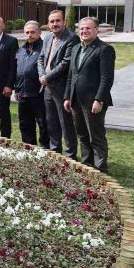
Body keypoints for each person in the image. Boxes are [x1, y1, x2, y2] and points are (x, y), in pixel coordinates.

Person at [64, 17, 115, 173]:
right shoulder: (76, 48)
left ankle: (100, 170)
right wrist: (67, 97)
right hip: (75, 100)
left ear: (96, 29)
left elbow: (107, 78)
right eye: (81, 28)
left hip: (93, 102)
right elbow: (71, 75)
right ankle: (87, 166)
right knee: (82, 135)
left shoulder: (105, 49)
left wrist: (99, 99)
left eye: (88, 28)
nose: (84, 31)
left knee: (96, 137)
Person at [38, 9, 78, 159]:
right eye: (52, 21)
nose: (54, 24)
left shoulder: (72, 38)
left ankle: (70, 155)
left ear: (64, 22)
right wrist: (42, 75)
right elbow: (41, 58)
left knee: (65, 123)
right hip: (47, 87)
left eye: (57, 21)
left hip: (61, 88)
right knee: (52, 122)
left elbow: (65, 63)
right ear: (48, 24)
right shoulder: (48, 37)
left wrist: (47, 77)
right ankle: (55, 152)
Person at [14, 21, 49, 147]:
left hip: (39, 93)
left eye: (33, 32)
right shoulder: (21, 50)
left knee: (43, 124)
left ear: (39, 32)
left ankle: (45, 149)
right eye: (27, 32)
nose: (29, 35)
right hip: (23, 93)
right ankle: (29, 148)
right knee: (25, 123)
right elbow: (18, 71)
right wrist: (17, 89)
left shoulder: (46, 48)